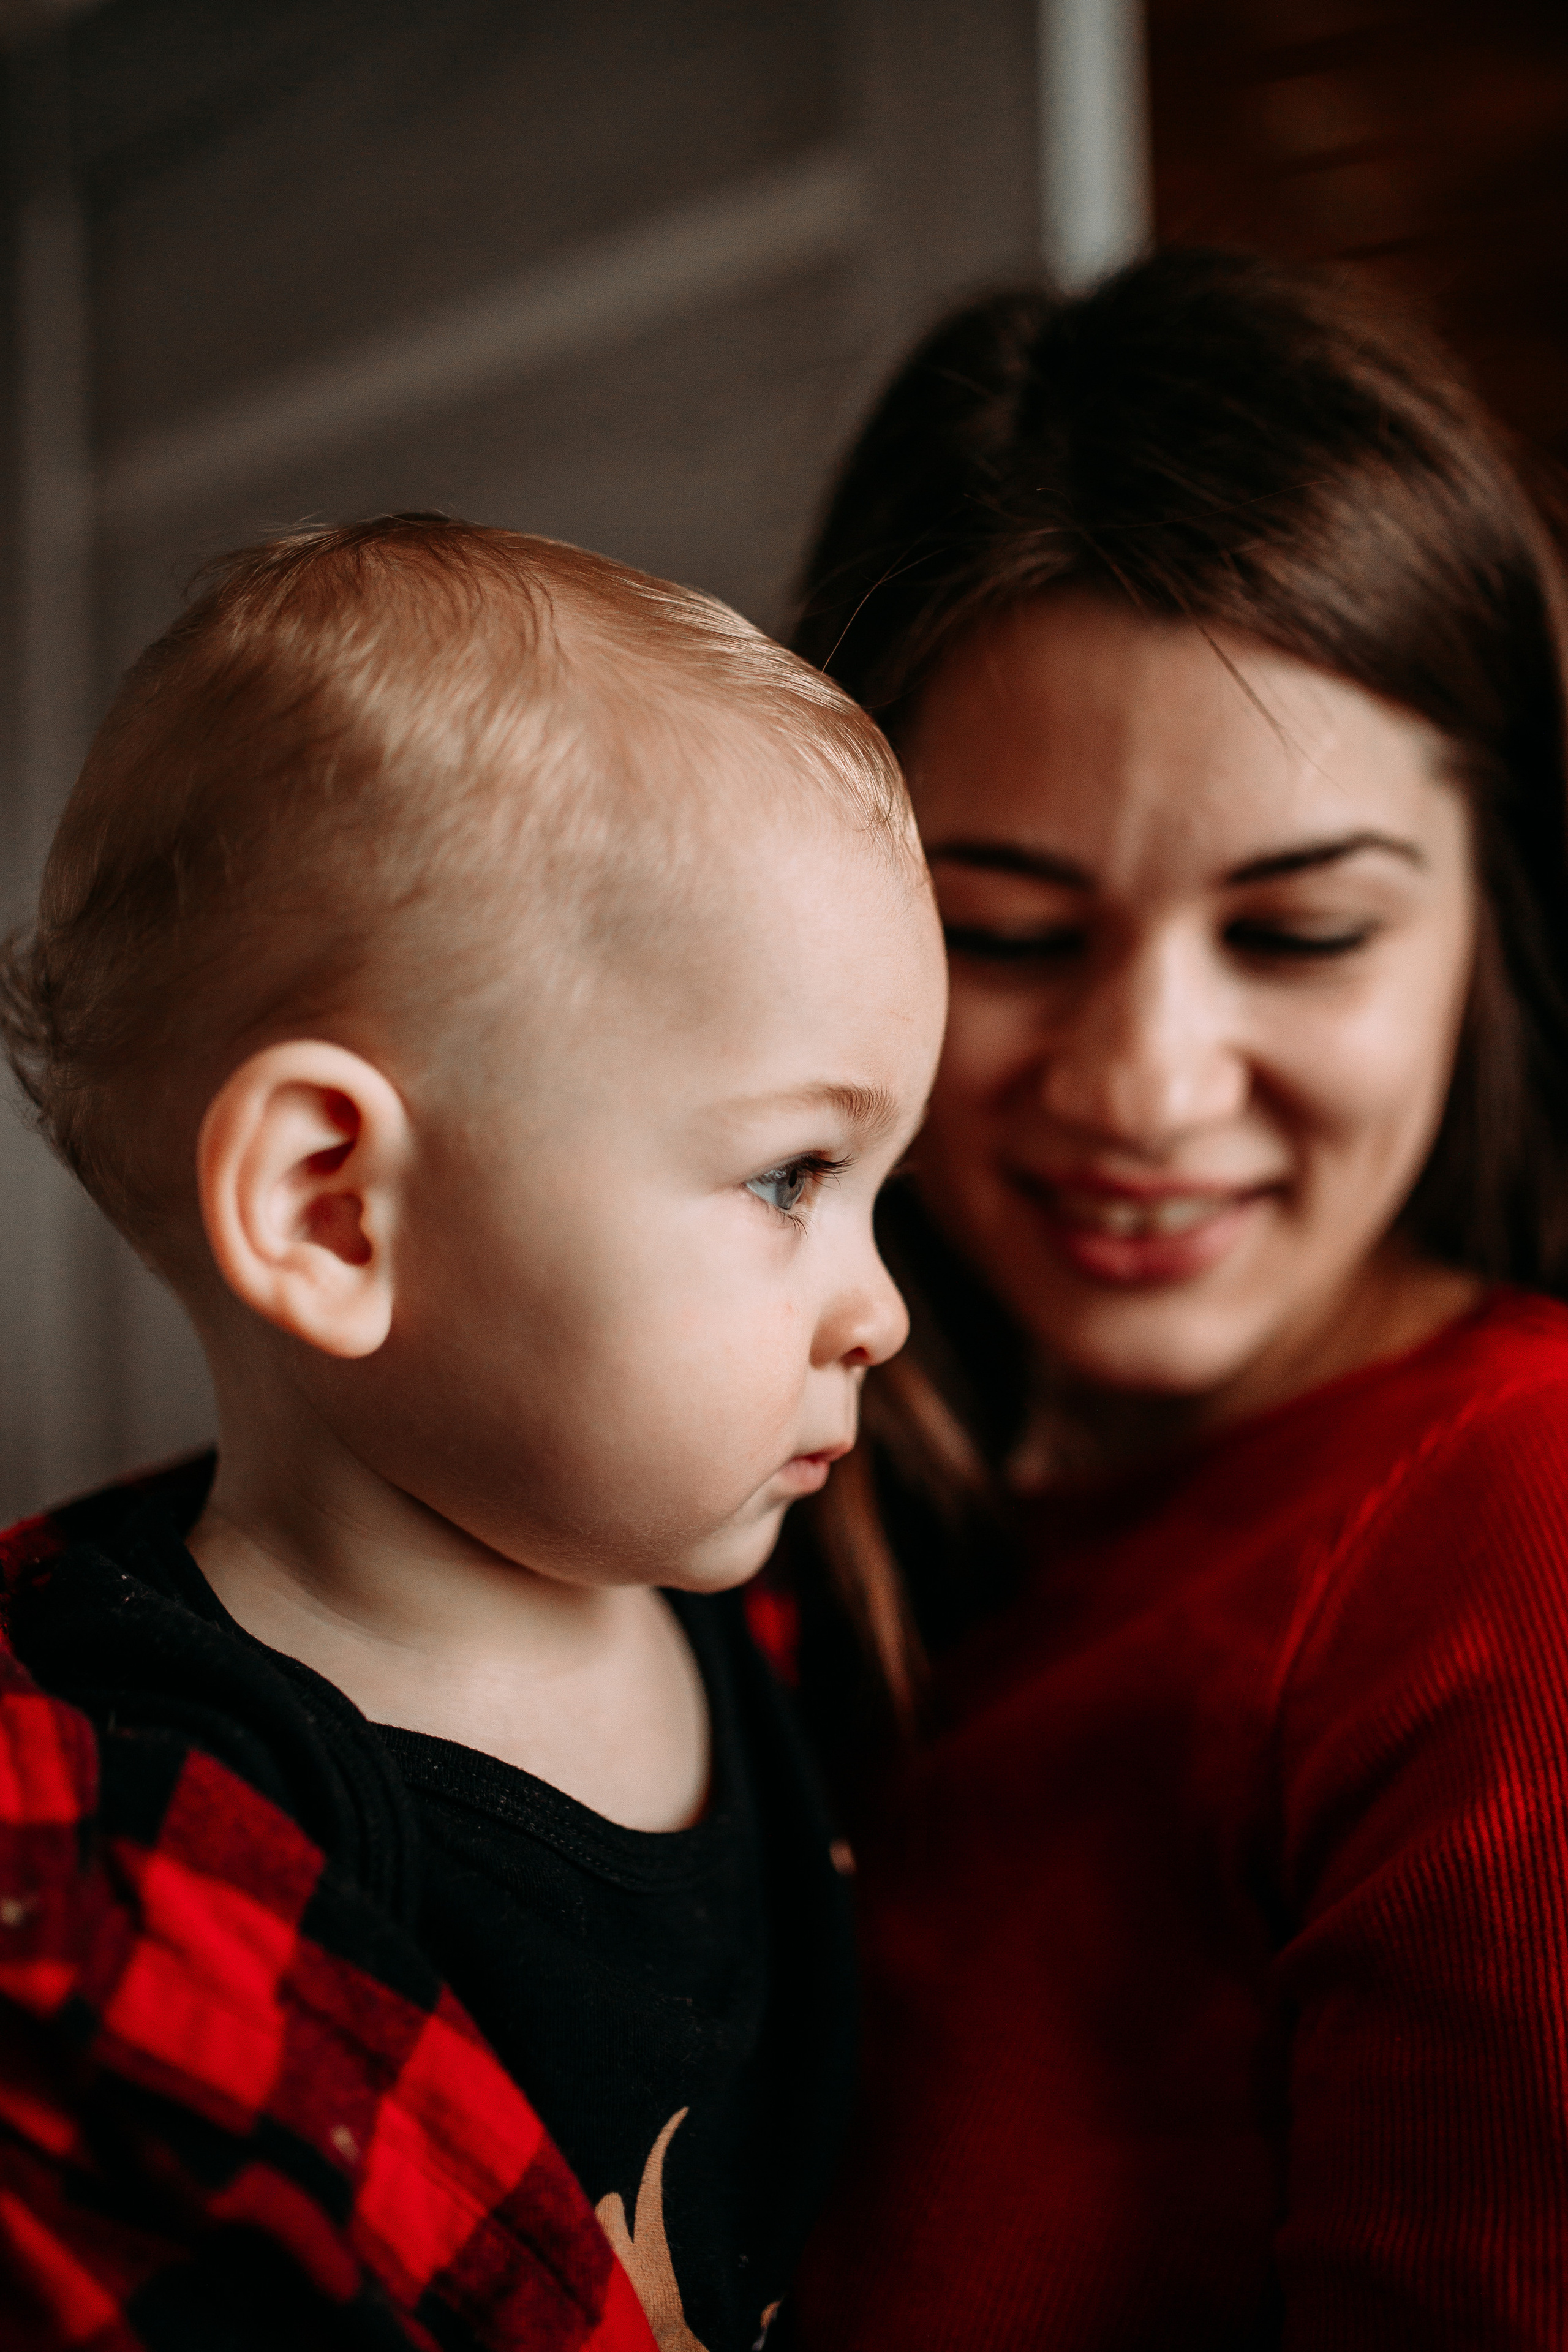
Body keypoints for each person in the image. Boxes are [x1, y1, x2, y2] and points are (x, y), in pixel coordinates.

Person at [0, 514, 946, 2352]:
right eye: (789, 1176)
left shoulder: (732, 1603)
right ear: (335, 1210)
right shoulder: (140, 1873)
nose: (882, 1305)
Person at [783, 251, 1568, 2348]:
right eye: (1014, 936)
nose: (1143, 1085)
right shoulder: (772, 1498)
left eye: (1301, 934)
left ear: (1489, 916)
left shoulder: (1525, 1528)